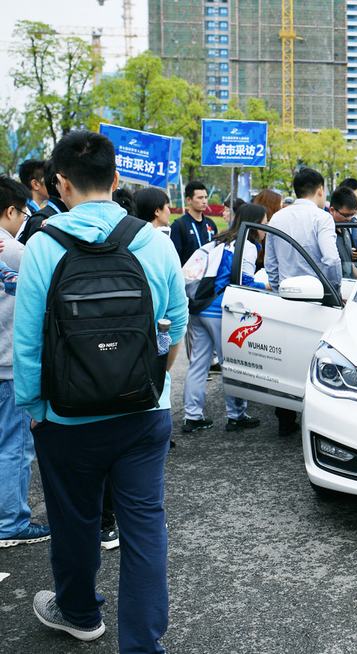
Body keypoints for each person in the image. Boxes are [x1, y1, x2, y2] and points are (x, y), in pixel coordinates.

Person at [14, 129, 187, 651]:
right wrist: (154, 386)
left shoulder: (44, 246)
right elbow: (174, 327)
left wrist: (36, 409)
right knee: (144, 527)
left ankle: (80, 613)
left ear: (58, 184)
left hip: (65, 419)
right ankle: (142, 644)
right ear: (116, 179)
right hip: (142, 414)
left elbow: (28, 345)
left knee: (73, 521)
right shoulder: (155, 241)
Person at [265, 168, 341, 438]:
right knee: (321, 359)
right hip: (318, 301)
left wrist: (279, 287)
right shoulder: (321, 218)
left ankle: (285, 418)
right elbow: (332, 260)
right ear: (320, 190)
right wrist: (334, 289)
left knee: (284, 358)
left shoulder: (277, 217)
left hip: (285, 299)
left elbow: (270, 263)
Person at [182, 203, 268, 434]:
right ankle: (236, 415)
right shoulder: (247, 246)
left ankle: (192, 416)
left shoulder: (218, 240)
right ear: (256, 223)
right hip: (222, 311)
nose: (266, 227)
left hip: (199, 309)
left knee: (198, 365)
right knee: (232, 365)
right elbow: (245, 281)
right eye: (264, 222)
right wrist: (267, 286)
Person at [0, 176, 51, 549]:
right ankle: (10, 522)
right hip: (7, 363)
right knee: (14, 446)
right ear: (10, 211)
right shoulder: (15, 252)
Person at [18, 161, 68, 244]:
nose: (52, 183)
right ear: (35, 184)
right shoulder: (28, 215)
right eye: (48, 179)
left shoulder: (36, 212)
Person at [170, 180, 217, 265]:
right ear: (188, 200)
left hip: (209, 275)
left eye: (206, 197)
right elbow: (174, 258)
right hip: (187, 275)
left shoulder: (211, 224)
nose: (204, 201)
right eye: (200, 198)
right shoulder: (179, 225)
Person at [330, 186, 357, 279]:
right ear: (332, 210)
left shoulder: (346, 229)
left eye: (352, 215)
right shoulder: (327, 234)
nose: (349, 219)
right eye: (346, 215)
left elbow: (350, 265)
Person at [252, 189, 284, 270]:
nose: (281, 209)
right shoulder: (272, 229)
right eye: (280, 206)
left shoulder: (250, 225)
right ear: (273, 206)